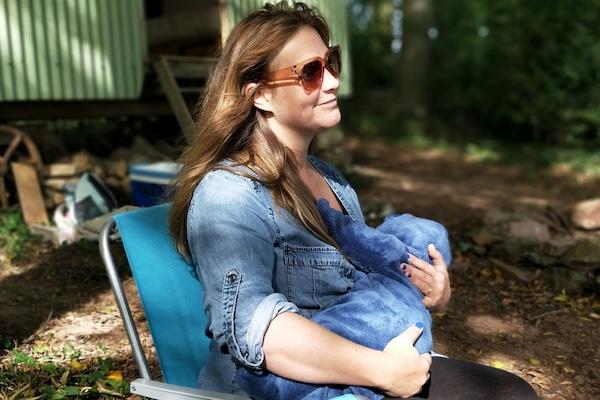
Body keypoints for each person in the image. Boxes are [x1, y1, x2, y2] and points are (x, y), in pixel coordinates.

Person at [169, 2, 538, 399]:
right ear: (261, 96)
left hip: (357, 374)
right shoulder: (229, 193)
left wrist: (423, 288)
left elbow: (365, 285)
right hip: (281, 389)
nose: (330, 82)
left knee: (508, 392)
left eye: (331, 62)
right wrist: (381, 371)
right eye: (310, 72)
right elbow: (257, 329)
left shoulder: (331, 181)